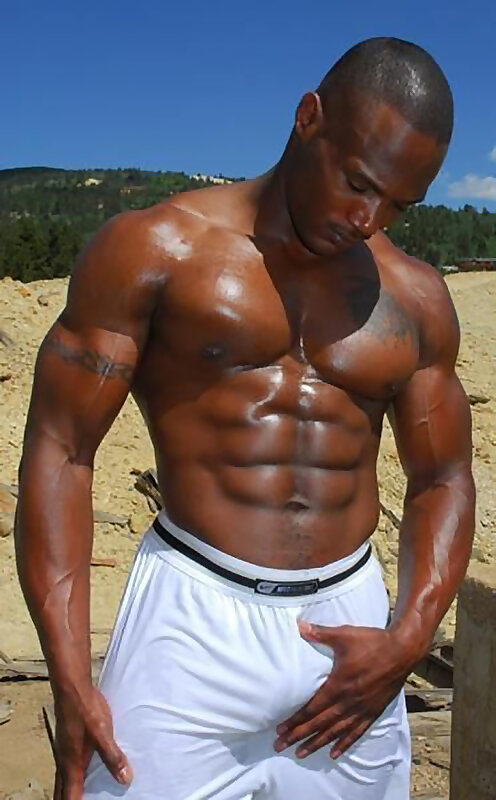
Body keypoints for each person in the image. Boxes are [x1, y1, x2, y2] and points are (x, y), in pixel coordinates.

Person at [16, 36, 475, 800]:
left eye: (399, 203)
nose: (368, 219)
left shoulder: (415, 297)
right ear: (308, 117)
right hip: (192, 614)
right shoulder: (153, 250)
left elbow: (443, 477)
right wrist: (68, 673)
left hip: (351, 627)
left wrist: (409, 637)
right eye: (357, 182)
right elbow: (61, 450)